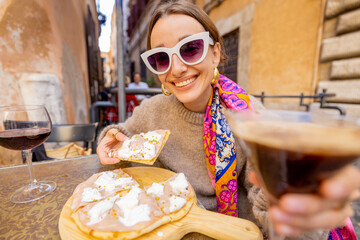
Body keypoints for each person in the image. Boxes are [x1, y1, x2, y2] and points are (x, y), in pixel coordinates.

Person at [97, 1, 360, 239]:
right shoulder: (152, 111)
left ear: (214, 53)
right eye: (161, 57)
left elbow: (272, 208)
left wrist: (299, 212)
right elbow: (123, 134)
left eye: (190, 48)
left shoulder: (249, 118)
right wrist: (109, 140)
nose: (176, 68)